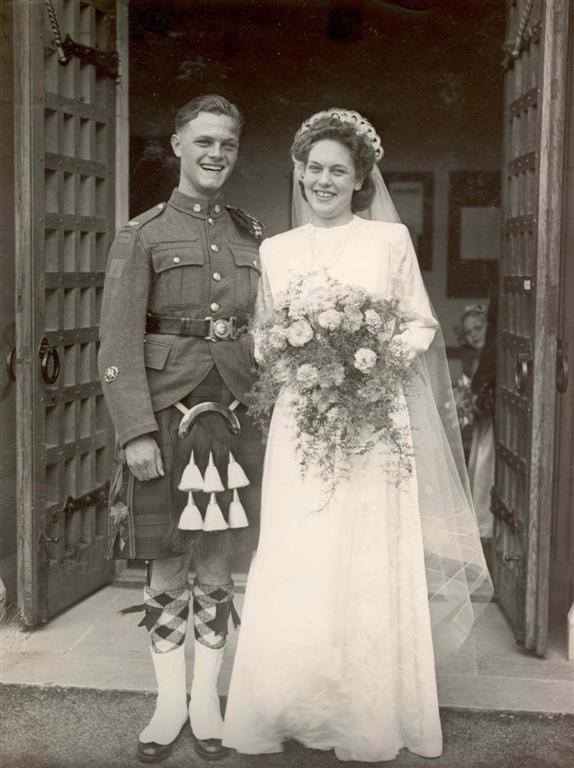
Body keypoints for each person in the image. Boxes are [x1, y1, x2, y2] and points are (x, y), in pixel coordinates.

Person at [222, 109, 492, 762]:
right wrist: (301, 360)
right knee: (300, 550)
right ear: (300, 173)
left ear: (359, 179)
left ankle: (364, 712)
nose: (322, 180)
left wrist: (363, 360)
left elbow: (421, 325)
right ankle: (289, 702)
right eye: (313, 169)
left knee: (362, 553)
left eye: (336, 171)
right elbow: (262, 336)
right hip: (302, 425)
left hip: (372, 422)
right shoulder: (276, 251)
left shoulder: (386, 245)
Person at [98, 94, 264, 763]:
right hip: (166, 415)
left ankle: (207, 700)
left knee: (220, 564)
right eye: (203, 142)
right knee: (166, 561)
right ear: (175, 145)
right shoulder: (142, 234)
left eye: (226, 142)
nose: (215, 154)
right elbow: (115, 343)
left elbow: (261, 331)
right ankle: (169, 703)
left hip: (232, 416)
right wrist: (136, 429)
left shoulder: (249, 231)